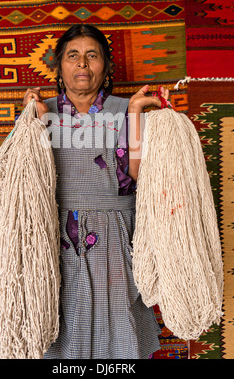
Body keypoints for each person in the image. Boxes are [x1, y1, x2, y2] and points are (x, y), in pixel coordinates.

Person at [23, 24, 170, 359]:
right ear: (59, 65)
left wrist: (134, 115)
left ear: (106, 65)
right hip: (57, 236)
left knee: (119, 320)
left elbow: (137, 176)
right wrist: (37, 124)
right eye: (73, 56)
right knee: (60, 321)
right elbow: (23, 181)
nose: (83, 65)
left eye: (93, 56)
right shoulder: (40, 109)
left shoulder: (126, 108)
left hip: (118, 233)